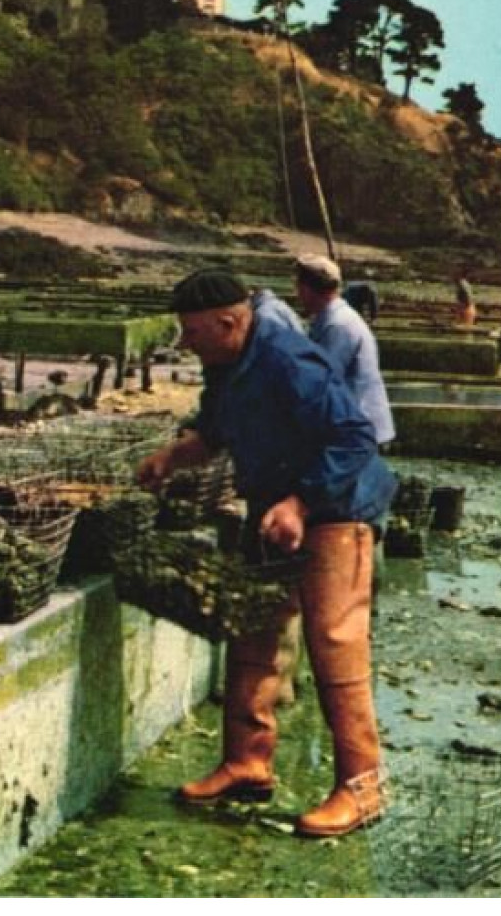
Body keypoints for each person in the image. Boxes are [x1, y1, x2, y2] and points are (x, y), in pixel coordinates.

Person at [136, 268, 396, 838]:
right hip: (272, 506)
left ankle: (363, 787)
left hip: (336, 508)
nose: (188, 344)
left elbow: (354, 437)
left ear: (231, 322)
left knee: (334, 642)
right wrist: (171, 458)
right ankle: (248, 762)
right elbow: (214, 431)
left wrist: (301, 505)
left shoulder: (288, 361)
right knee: (253, 627)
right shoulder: (226, 363)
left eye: (195, 333)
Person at [294, 254, 394, 448]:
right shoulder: (331, 319)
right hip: (354, 425)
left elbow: (322, 382)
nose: (298, 294)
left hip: (356, 430)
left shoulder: (338, 326)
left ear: (307, 290)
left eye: (299, 287)